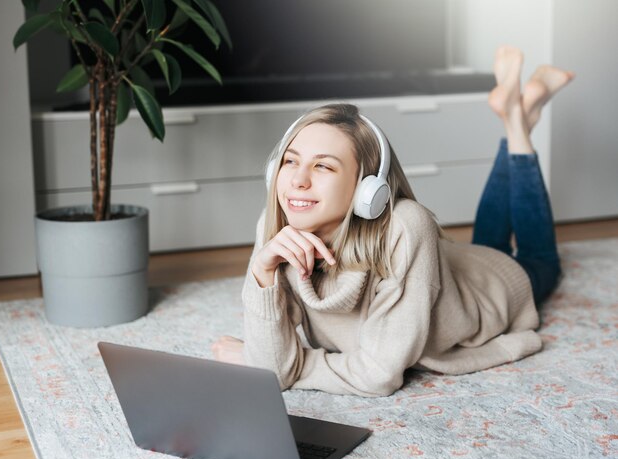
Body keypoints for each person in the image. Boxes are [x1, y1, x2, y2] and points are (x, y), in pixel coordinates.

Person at [211, 46, 575, 397]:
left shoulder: (405, 225)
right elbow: (276, 370)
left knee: (538, 257)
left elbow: (376, 376)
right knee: (489, 236)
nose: (298, 180)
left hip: (492, 289)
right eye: (290, 161)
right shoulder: (276, 226)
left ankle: (516, 123)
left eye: (322, 165)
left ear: (367, 189)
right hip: (448, 268)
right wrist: (262, 272)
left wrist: (290, 366)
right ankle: (515, 117)